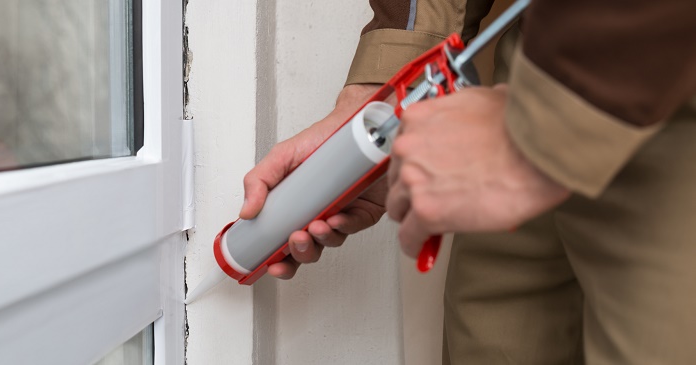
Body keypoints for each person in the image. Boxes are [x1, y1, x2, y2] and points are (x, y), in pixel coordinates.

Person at [240, 0, 696, 363]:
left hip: (662, 85)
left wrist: (552, 124)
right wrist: (388, 86)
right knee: (494, 341)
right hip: (536, 70)